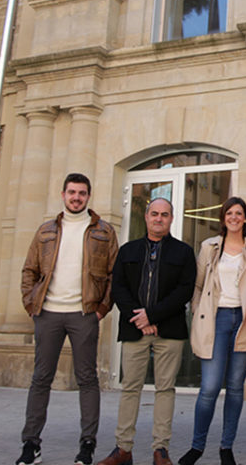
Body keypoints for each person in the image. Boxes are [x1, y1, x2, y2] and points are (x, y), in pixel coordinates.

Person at [17, 173, 119, 465]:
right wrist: (30, 304)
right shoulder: (45, 230)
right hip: (48, 313)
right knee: (41, 379)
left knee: (87, 379)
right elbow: (29, 271)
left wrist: (101, 309)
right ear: (63, 195)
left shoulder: (104, 231)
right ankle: (31, 444)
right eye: (72, 192)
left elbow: (114, 275)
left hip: (84, 313)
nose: (77, 197)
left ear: (89, 196)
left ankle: (87, 444)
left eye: (82, 193)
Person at [98, 198, 196, 465]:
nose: (159, 218)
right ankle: (123, 449)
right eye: (155, 213)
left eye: (165, 214)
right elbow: (118, 288)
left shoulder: (184, 253)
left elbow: (184, 291)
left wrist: (153, 315)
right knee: (130, 388)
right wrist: (140, 318)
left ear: (171, 219)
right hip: (134, 330)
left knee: (165, 389)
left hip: (170, 330)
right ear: (146, 216)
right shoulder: (127, 250)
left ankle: (160, 450)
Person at [178, 197, 246, 465]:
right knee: (210, 387)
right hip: (215, 319)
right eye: (229, 213)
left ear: (245, 218)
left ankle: (227, 447)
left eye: (239, 213)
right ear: (223, 218)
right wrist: (198, 312)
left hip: (244, 320)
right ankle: (197, 446)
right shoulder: (209, 247)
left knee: (235, 387)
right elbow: (199, 285)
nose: (234, 217)